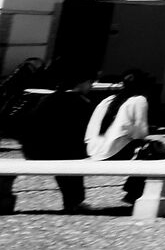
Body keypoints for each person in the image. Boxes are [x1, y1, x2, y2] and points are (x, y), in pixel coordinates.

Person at [3, 75, 99, 214]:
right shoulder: (80, 102)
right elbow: (83, 131)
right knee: (72, 160)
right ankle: (74, 202)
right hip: (55, 152)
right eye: (90, 82)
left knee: (68, 155)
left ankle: (74, 201)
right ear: (80, 83)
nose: (92, 86)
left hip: (33, 150)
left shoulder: (49, 98)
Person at [84, 69, 164, 209]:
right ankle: (133, 193)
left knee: (143, 149)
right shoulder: (139, 100)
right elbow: (140, 132)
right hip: (111, 152)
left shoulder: (108, 100)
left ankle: (132, 191)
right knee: (153, 150)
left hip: (93, 149)